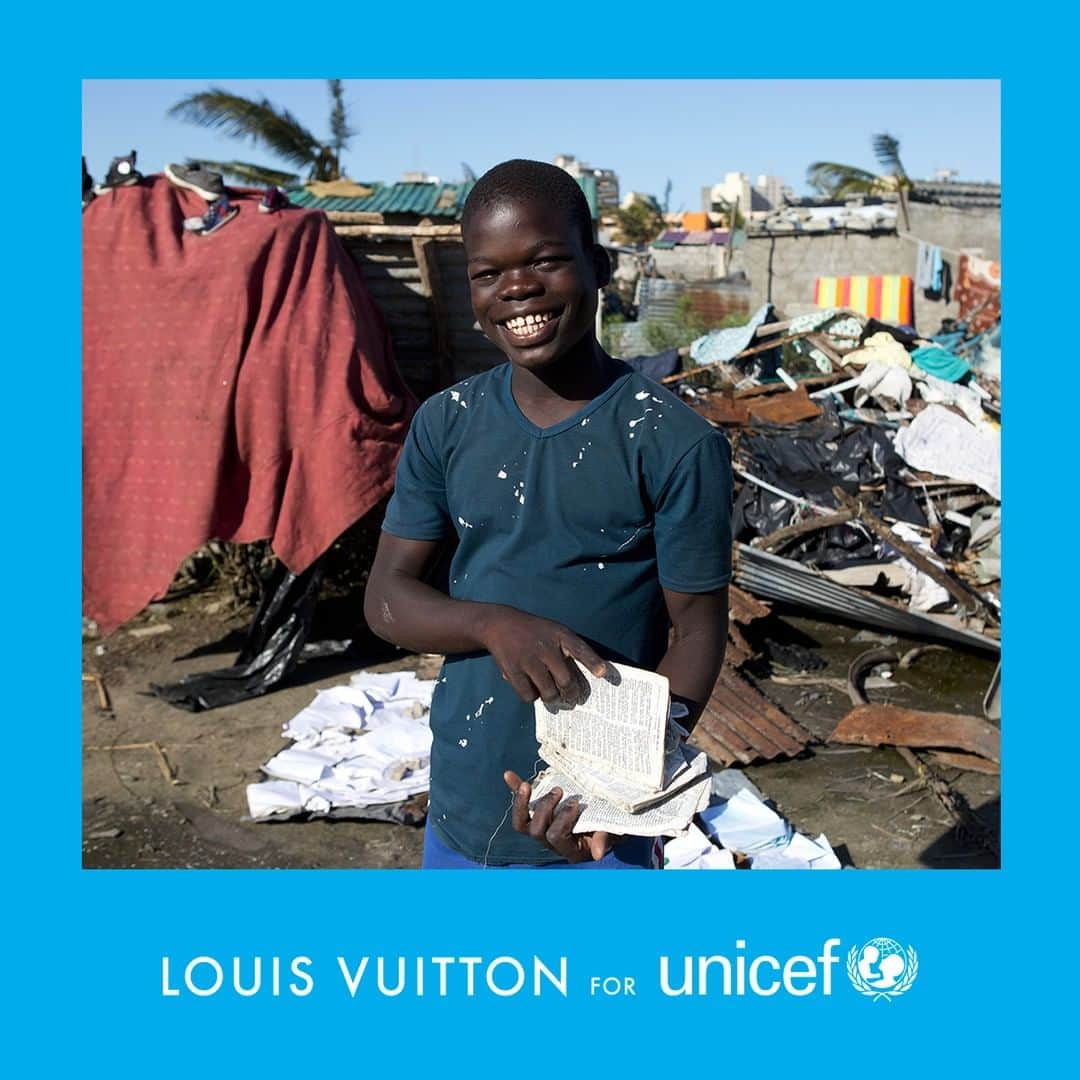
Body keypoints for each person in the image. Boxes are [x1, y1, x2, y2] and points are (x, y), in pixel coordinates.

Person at [363, 159, 732, 869]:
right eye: (488, 272)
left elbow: (697, 629)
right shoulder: (447, 423)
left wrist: (617, 791)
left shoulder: (672, 442)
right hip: (466, 803)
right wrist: (491, 624)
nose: (517, 289)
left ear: (598, 267)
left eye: (545, 261)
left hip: (601, 829)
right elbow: (386, 601)